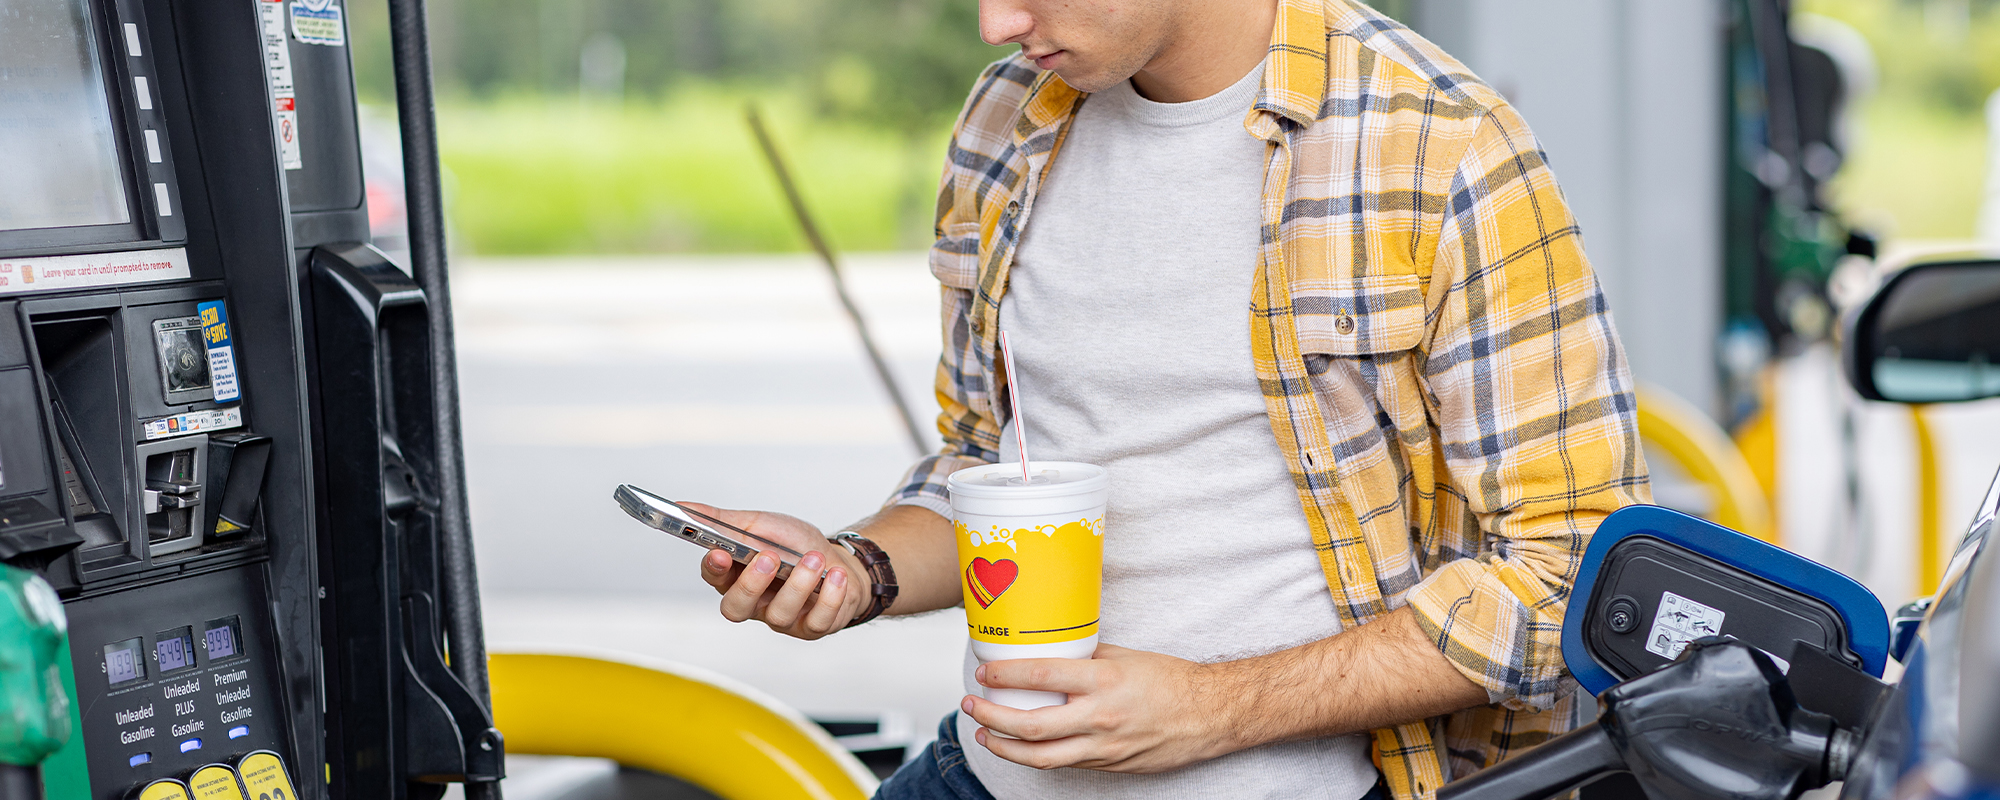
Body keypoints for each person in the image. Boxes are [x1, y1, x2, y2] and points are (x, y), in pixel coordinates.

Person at [688, 0, 1651, 797]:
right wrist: (855, 568)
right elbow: (989, 472)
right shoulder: (1006, 120)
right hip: (975, 776)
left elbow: (1576, 574)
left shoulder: (1442, 145)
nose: (994, 22)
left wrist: (1211, 710)